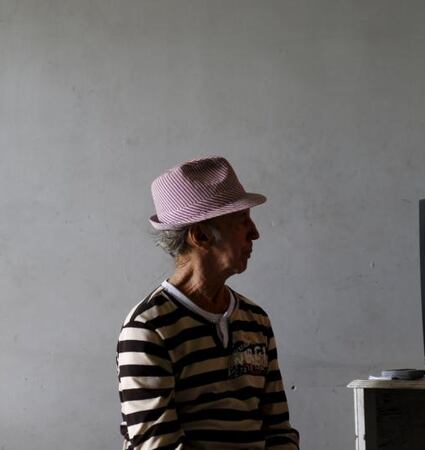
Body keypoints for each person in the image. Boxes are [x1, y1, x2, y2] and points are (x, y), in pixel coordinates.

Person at [116, 156, 300, 449]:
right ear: (200, 235)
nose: (255, 233)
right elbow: (158, 445)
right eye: (242, 222)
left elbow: (278, 429)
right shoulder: (148, 329)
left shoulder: (256, 321)